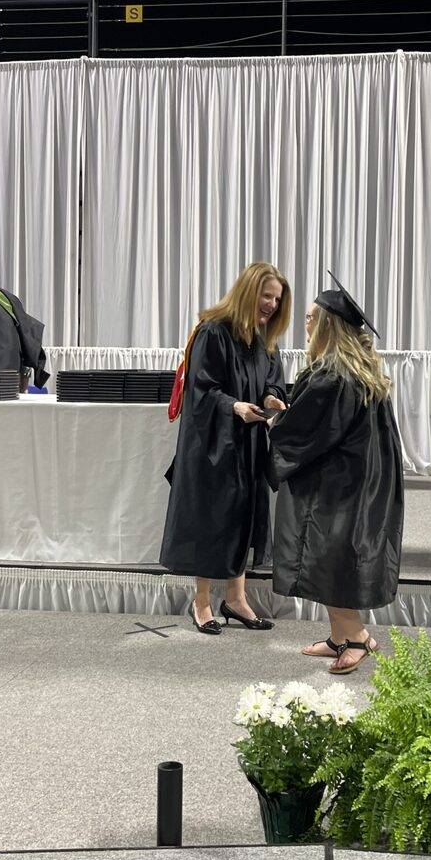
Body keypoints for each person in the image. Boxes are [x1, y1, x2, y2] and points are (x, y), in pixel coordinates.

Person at [269, 277, 403, 675]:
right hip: (360, 480)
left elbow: (306, 432)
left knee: (329, 559)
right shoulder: (359, 371)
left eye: (312, 317)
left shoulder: (331, 374)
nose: (306, 323)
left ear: (328, 325)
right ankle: (339, 637)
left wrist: (276, 421)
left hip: (336, 487)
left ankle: (357, 638)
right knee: (333, 559)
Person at [160, 262, 292, 635]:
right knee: (211, 518)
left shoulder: (265, 338)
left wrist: (271, 398)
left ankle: (236, 599)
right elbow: (201, 390)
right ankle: (201, 601)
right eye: (266, 296)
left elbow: (273, 382)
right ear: (248, 291)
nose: (271, 305)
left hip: (248, 441)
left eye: (277, 299)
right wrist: (234, 407)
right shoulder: (213, 332)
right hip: (212, 443)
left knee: (243, 517)